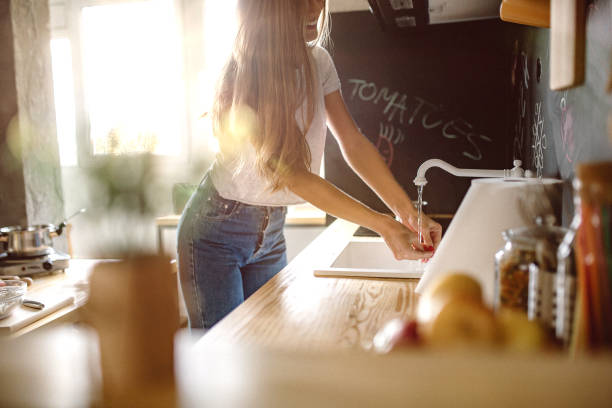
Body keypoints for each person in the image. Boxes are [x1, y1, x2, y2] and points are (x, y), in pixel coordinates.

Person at [177, 0, 442, 330]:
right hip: (216, 232)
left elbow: (353, 142)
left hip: (271, 232)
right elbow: (294, 177)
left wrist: (406, 213)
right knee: (222, 357)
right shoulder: (245, 71)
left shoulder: (319, 60)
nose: (317, 6)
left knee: (267, 346)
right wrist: (384, 225)